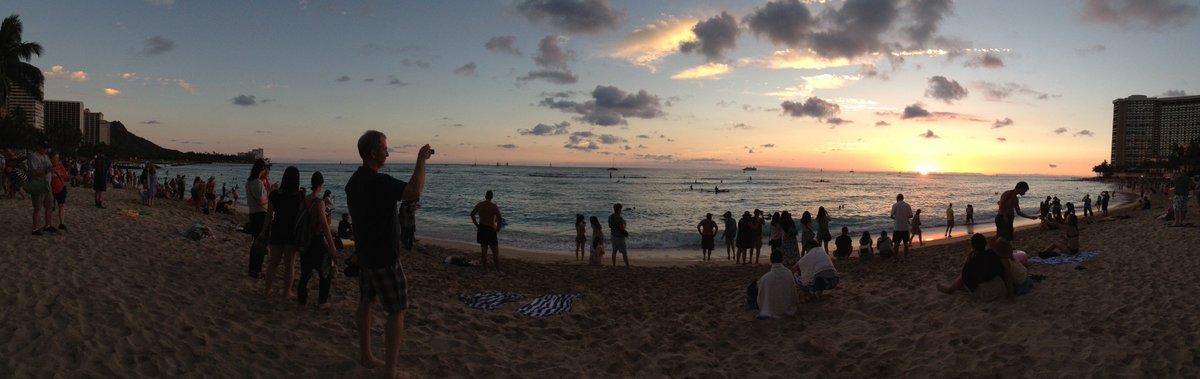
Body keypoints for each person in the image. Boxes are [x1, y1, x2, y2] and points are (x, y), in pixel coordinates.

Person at [345, 130, 430, 378]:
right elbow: (413, 191)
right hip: (383, 256)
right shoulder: (378, 182)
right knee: (397, 309)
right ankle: (390, 371)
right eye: (384, 148)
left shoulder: (354, 182)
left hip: (365, 255)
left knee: (367, 302)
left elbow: (358, 220)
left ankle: (366, 356)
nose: (387, 152)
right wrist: (421, 160)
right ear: (373, 153)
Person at [260, 166, 304, 300]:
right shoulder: (300, 196)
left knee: (273, 263)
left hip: (277, 231)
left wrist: (263, 231)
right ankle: (287, 293)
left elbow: (268, 216)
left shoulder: (275, 195)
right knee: (289, 265)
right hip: (292, 233)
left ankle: (267, 291)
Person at [297, 171, 338, 311]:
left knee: (305, 273)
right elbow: (325, 227)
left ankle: (301, 300)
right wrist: (332, 245)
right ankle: (322, 302)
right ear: (321, 184)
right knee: (325, 273)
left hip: (304, 241)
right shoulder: (319, 202)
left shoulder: (304, 200)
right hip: (316, 240)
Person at [936, 234, 1010, 302]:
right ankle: (953, 288)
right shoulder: (993, 253)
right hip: (1002, 290)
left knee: (965, 277)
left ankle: (950, 289)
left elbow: (964, 274)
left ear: (973, 247)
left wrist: (968, 259)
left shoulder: (973, 263)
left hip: (988, 296)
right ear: (985, 243)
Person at [246, 159, 271, 279]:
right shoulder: (258, 183)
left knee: (256, 242)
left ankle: (252, 269)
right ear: (262, 169)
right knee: (261, 243)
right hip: (261, 214)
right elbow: (262, 201)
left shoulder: (249, 182)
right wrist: (270, 191)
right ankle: (257, 270)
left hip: (253, 213)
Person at [755, 250, 798, 320]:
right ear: (782, 259)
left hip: (772, 309)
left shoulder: (765, 277)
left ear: (771, 260)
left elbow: (760, 296)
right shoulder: (789, 273)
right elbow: (793, 293)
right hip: (787, 308)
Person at [25, 141, 55, 235]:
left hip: (47, 185)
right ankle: (35, 228)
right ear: (38, 147)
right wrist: (46, 170)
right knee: (37, 207)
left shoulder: (45, 156)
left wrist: (50, 167)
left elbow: (50, 165)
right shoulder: (33, 157)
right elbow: (32, 173)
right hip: (38, 184)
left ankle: (48, 225)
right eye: (44, 147)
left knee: (49, 206)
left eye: (46, 148)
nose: (45, 149)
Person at [469, 190, 503, 272]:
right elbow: (500, 218)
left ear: (485, 196)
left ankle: (485, 269)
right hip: (490, 229)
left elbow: (472, 214)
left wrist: (477, 225)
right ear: (492, 197)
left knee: (484, 251)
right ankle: (498, 270)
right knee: (495, 252)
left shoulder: (480, 205)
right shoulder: (493, 206)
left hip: (482, 228)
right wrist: (498, 228)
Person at [890, 194, 913, 261]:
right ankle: (905, 257)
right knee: (905, 243)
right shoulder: (907, 205)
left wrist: (896, 218)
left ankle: (895, 258)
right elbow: (911, 215)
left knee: (896, 244)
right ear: (903, 198)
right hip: (905, 228)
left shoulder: (894, 205)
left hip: (897, 227)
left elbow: (891, 216)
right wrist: (905, 217)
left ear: (897, 198)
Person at [49, 152, 69, 230]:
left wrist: (74, 177)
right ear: (51, 159)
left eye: (57, 158)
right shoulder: (48, 167)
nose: (56, 160)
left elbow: (65, 176)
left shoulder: (60, 166)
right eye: (55, 158)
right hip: (51, 190)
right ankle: (50, 224)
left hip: (61, 189)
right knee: (51, 208)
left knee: (62, 205)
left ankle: (62, 223)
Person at [608, 203, 630, 267]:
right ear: (619, 209)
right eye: (621, 209)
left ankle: (614, 265)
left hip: (613, 236)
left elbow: (610, 226)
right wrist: (625, 224)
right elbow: (622, 228)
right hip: (619, 237)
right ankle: (627, 266)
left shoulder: (610, 217)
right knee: (624, 252)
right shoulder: (620, 218)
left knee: (614, 251)